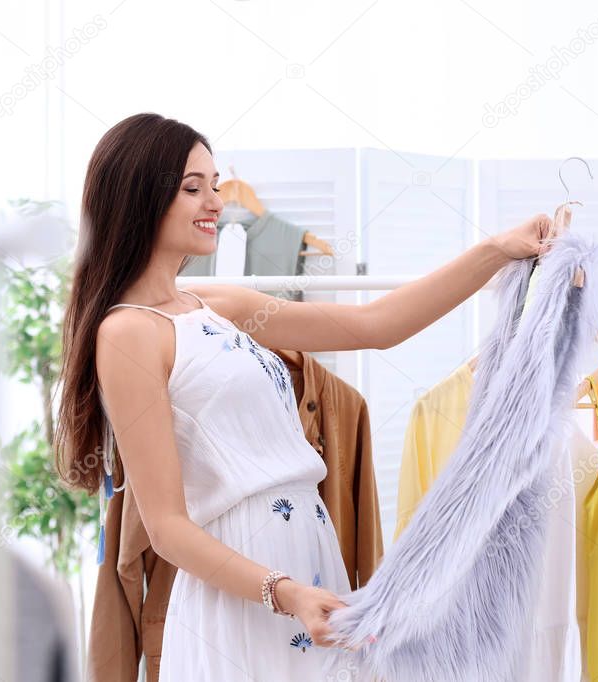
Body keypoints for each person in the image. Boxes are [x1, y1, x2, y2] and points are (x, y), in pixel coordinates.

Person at [55, 112, 551, 680]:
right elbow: (166, 527)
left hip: (310, 562)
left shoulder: (217, 306)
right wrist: (282, 593)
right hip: (247, 596)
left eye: (214, 185)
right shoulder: (127, 334)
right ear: (139, 196)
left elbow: (375, 326)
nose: (214, 201)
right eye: (193, 188)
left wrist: (499, 249)